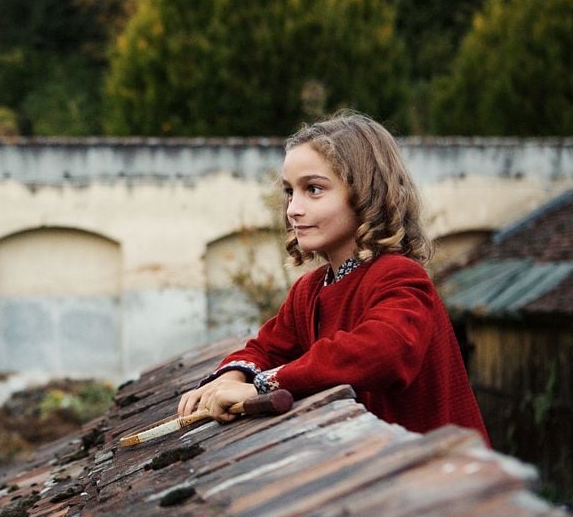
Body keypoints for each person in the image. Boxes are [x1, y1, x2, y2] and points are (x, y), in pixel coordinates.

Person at [178, 110, 489, 445]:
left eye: (313, 189)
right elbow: (266, 349)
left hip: (441, 479)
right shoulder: (309, 291)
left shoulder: (400, 277)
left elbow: (379, 352)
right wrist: (230, 377)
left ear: (366, 193)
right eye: (289, 191)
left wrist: (263, 385)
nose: (293, 209)